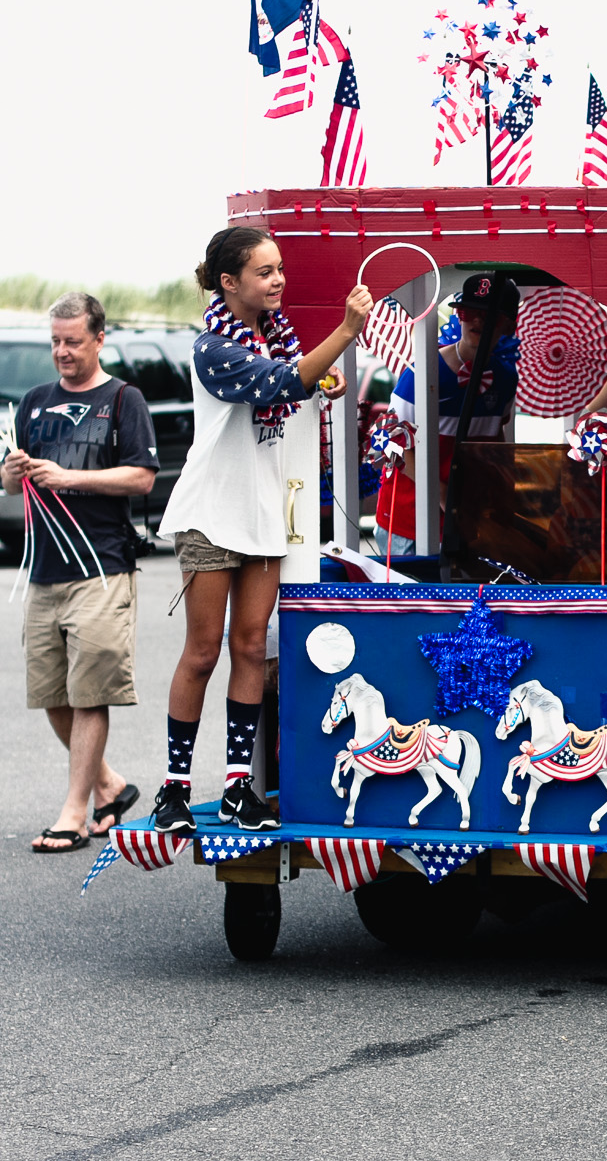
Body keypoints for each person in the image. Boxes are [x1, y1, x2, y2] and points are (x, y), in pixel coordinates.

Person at [152, 227, 371, 836]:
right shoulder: (212, 348)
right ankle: (173, 790)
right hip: (211, 515)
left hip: (264, 518)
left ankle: (235, 790)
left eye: (280, 269)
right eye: (264, 271)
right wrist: (344, 337)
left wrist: (322, 380)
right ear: (230, 282)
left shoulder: (276, 339)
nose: (278, 280)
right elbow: (279, 383)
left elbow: (294, 381)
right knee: (201, 652)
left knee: (251, 648)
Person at [1, 293, 158, 851]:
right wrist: (12, 471)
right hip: (44, 569)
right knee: (53, 695)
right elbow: (9, 482)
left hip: (102, 565)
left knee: (90, 693)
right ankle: (110, 786)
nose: (61, 352)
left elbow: (142, 478)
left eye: (72, 341)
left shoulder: (123, 399)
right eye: (55, 342)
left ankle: (74, 812)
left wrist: (69, 479)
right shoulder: (35, 401)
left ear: (98, 338)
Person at [372, 271, 520, 559]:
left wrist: (503, 493)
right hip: (410, 519)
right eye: (468, 312)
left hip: (467, 521)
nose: (477, 321)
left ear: (508, 326)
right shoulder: (421, 373)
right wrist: (440, 492)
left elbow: (494, 440)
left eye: (491, 316)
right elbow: (390, 441)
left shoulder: (504, 378)